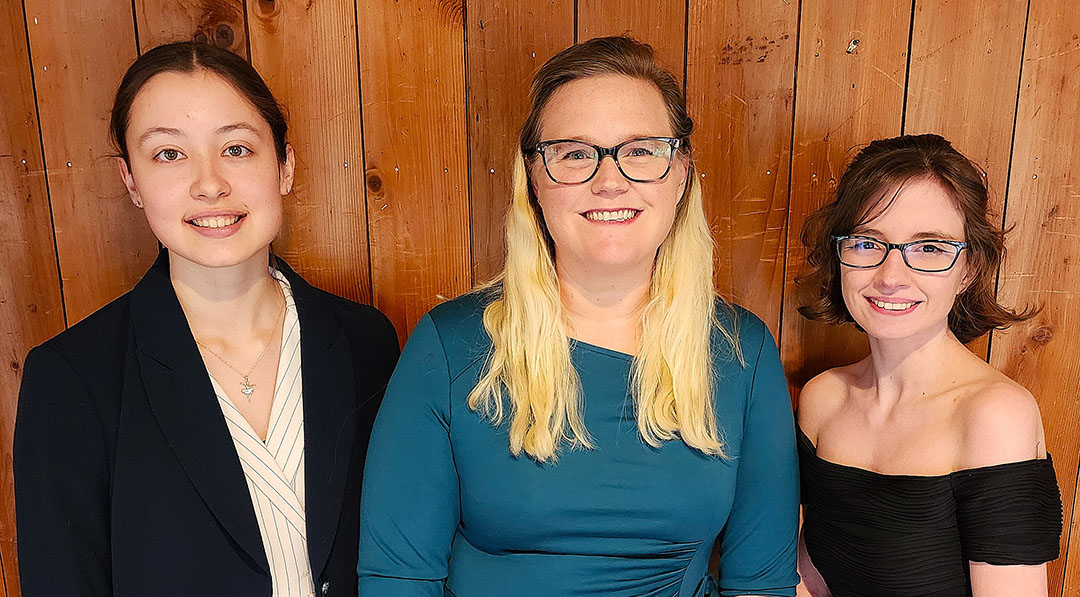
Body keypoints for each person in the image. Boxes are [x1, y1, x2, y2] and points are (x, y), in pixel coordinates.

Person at [357, 36, 798, 597]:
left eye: (640, 150)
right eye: (574, 153)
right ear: (534, 181)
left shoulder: (742, 352)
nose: (609, 180)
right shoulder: (450, 346)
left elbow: (761, 584)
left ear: (681, 173)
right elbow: (398, 578)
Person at [14, 42, 399, 597]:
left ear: (284, 166)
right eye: (169, 155)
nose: (210, 183)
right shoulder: (72, 378)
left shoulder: (366, 340)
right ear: (131, 182)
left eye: (237, 148)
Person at [795, 134, 1062, 597]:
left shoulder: (995, 415)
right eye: (866, 242)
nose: (891, 277)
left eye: (930, 249)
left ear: (970, 270)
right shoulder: (823, 398)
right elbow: (805, 577)